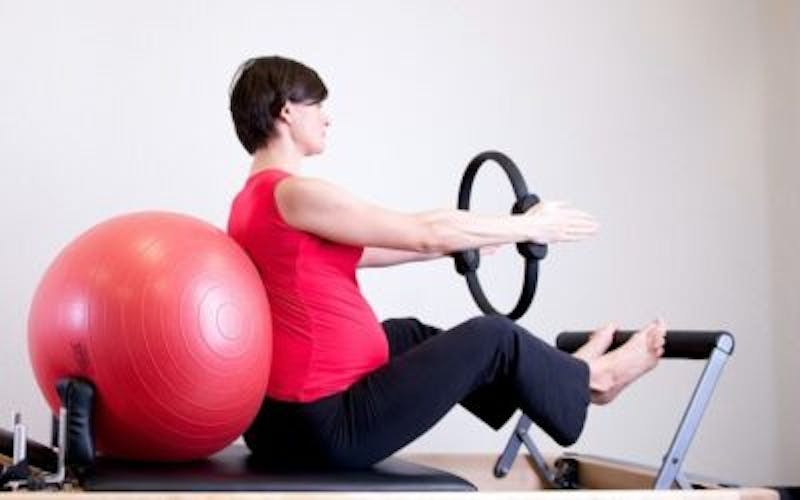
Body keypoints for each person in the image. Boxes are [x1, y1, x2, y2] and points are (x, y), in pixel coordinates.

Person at [226, 56, 667, 469]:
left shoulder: (253, 200)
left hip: (278, 422)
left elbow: (377, 248)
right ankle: (595, 379)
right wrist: (529, 228)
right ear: (287, 111)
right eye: (318, 104)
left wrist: (452, 247)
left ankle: (558, 377)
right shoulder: (296, 194)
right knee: (492, 336)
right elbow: (423, 230)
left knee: (407, 334)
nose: (327, 117)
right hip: (325, 426)